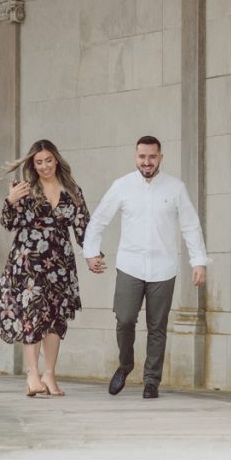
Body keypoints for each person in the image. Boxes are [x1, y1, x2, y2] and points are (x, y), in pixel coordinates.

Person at [83, 135, 209, 399]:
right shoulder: (122, 186)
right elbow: (99, 219)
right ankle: (125, 365)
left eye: (152, 156)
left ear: (160, 157)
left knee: (157, 327)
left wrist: (198, 262)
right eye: (142, 156)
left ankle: (152, 381)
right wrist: (91, 252)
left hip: (164, 268)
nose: (147, 161)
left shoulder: (175, 188)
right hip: (130, 265)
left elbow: (190, 225)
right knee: (125, 319)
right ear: (135, 157)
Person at [0, 139, 94, 397]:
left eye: (48, 160)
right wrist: (10, 201)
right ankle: (32, 374)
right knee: (32, 316)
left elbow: (84, 227)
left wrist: (92, 255)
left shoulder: (72, 190)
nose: (44, 166)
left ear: (56, 160)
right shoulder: (25, 189)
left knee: (55, 318)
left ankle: (49, 375)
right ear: (33, 164)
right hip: (29, 262)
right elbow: (8, 223)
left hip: (60, 263)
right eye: (39, 162)